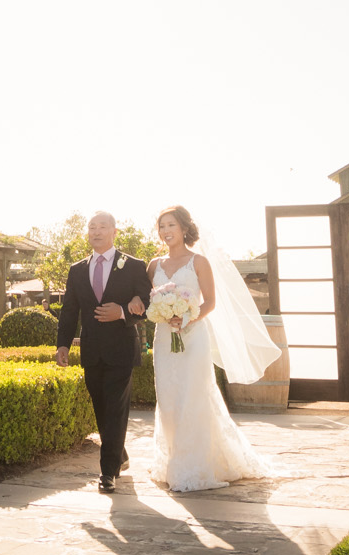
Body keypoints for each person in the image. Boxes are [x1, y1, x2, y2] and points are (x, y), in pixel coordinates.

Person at [145, 204, 275, 493]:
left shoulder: (199, 262)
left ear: (184, 228)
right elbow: (147, 301)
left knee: (193, 396)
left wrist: (186, 317)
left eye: (171, 225)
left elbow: (211, 303)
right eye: (162, 226)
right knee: (168, 398)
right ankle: (173, 461)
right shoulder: (153, 265)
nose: (166, 231)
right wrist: (164, 314)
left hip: (193, 337)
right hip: (165, 338)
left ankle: (194, 466)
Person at [55, 211, 151, 493]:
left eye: (102, 227)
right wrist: (62, 344)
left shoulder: (134, 265)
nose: (96, 231)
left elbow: (147, 301)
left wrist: (122, 311)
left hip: (121, 350)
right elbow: (70, 309)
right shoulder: (77, 270)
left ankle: (108, 472)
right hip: (92, 351)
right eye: (92, 227)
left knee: (116, 408)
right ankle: (118, 454)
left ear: (114, 231)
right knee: (101, 407)